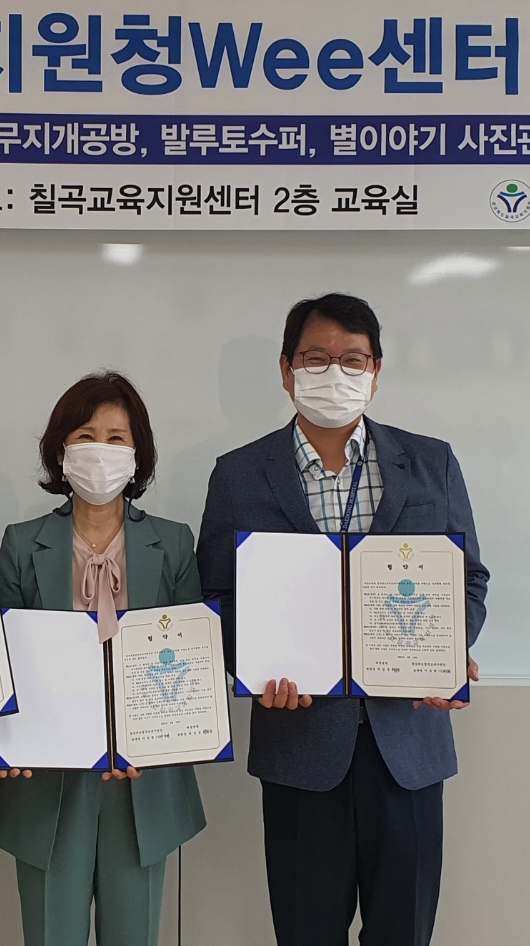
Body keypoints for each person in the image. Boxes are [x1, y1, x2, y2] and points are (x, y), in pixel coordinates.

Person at [197, 293, 489, 946]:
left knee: (403, 933)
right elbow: (217, 596)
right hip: (301, 746)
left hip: (407, 743)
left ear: (376, 371)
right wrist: (253, 666)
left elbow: (468, 579)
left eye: (353, 360)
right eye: (316, 359)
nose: (335, 373)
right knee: (307, 932)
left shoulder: (432, 462)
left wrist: (447, 649)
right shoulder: (240, 475)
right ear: (286, 370)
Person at [0, 371, 207, 946]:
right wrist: (2, 727)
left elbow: (192, 664)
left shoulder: (174, 543)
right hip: (46, 781)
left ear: (138, 454)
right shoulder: (21, 543)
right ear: (61, 452)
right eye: (85, 436)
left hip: (143, 785)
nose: (100, 451)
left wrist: (158, 740)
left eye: (116, 438)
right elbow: (1, 662)